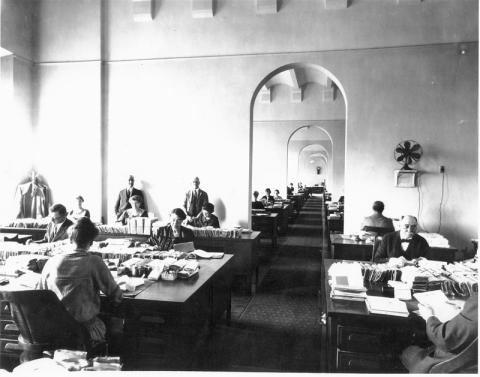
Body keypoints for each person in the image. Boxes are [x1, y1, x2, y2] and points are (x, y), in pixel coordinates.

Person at [38, 217, 123, 344]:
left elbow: (40, 294)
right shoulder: (94, 261)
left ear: (70, 239)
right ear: (92, 241)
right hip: (84, 332)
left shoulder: (51, 262)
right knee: (118, 327)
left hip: (55, 331)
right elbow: (116, 296)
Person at [400, 294, 478, 373]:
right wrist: (467, 305)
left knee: (407, 354)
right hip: (470, 355)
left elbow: (444, 339)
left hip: (458, 363)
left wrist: (429, 316)